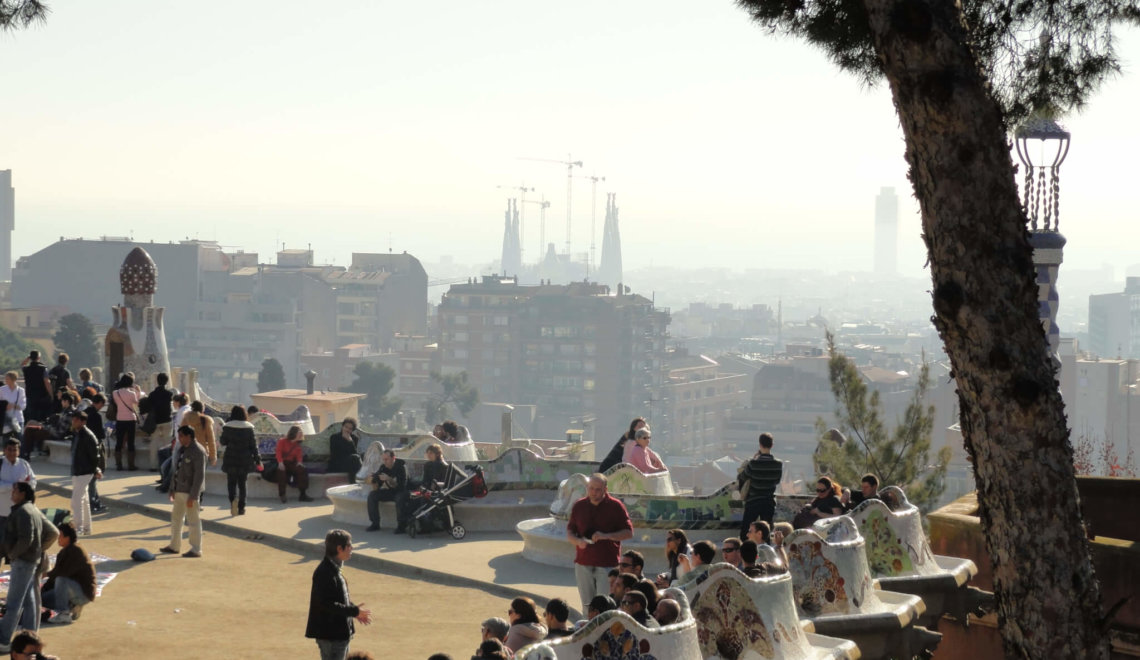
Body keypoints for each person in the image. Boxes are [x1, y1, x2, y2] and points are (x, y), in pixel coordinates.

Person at [0, 482, 58, 651]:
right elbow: (51, 532)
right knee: (29, 599)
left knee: (13, 603)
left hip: (23, 561)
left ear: (23, 494)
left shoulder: (24, 512)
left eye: (15, 490)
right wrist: (38, 550)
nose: (13, 492)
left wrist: (14, 554)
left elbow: (27, 538)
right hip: (29, 561)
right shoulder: (31, 509)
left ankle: (3, 640)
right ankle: (31, 635)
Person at [565, 473, 633, 612]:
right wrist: (578, 541)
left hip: (607, 564)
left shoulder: (616, 506)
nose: (593, 492)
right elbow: (570, 532)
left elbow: (628, 532)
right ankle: (588, 632)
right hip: (583, 562)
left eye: (598, 489)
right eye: (591, 488)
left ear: (605, 490)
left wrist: (606, 536)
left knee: (605, 606)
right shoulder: (579, 505)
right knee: (587, 606)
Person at [306, 529, 372, 660]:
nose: (352, 548)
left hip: (338, 634)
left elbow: (338, 598)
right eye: (349, 545)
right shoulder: (324, 572)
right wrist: (353, 611)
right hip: (331, 636)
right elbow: (327, 604)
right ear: (339, 548)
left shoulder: (332, 569)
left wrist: (355, 611)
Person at [159, 425, 207, 558]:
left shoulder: (198, 451)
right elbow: (176, 470)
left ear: (189, 436)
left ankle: (196, 549)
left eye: (181, 436)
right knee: (176, 519)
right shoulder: (181, 449)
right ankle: (174, 545)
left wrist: (194, 495)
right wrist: (172, 488)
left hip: (190, 492)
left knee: (193, 520)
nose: (179, 439)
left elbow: (199, 475)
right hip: (179, 489)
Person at [42, 522, 96, 624]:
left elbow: (62, 573)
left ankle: (64, 613)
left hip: (83, 593)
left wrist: (46, 574)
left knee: (61, 580)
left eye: (60, 536)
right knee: (41, 599)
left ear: (67, 538)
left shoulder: (76, 550)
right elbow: (54, 576)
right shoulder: (64, 552)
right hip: (72, 590)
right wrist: (41, 591)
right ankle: (73, 607)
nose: (58, 539)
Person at [737, 432, 783, 539]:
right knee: (766, 534)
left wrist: (752, 460)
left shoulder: (753, 463)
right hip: (768, 502)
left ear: (760, 444)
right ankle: (765, 554)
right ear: (772, 445)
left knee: (745, 533)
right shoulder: (778, 464)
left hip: (753, 501)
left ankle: (749, 554)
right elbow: (777, 480)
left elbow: (742, 477)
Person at [220, 405, 258, 516]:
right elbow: (253, 446)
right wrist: (258, 460)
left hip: (231, 459)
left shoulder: (228, 427)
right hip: (244, 460)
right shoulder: (249, 428)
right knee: (242, 484)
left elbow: (223, 441)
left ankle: (233, 500)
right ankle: (241, 508)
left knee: (231, 483)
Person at [68, 412, 101, 536]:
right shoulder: (78, 434)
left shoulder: (87, 435)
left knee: (76, 500)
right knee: (84, 499)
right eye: (73, 419)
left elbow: (95, 455)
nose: (73, 421)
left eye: (76, 419)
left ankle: (79, 528)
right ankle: (86, 527)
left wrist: (95, 469)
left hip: (84, 471)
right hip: (78, 470)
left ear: (83, 421)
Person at [0, 440, 35, 549]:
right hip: (2, 513)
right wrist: (13, 486)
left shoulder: (24, 464)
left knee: (16, 544)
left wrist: (26, 487)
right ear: (4, 450)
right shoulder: (0, 464)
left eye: (15, 450)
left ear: (19, 451)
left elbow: (33, 481)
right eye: (9, 450)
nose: (12, 452)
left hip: (20, 513)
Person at [366, 449, 408, 532]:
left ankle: (402, 526)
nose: (384, 462)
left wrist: (389, 479)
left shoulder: (401, 467)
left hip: (403, 491)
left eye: (386, 459)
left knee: (399, 498)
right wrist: (373, 480)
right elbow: (377, 485)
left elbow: (402, 486)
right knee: (372, 495)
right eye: (383, 459)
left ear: (393, 458)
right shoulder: (383, 467)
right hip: (391, 492)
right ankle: (375, 524)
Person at [111, 373, 143, 471]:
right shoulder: (132, 393)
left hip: (120, 419)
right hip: (130, 419)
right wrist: (138, 391)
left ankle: (119, 464)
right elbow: (137, 402)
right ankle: (131, 465)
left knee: (119, 442)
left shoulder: (115, 393)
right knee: (131, 442)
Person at [275, 425, 314, 503]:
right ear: (294, 433)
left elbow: (299, 456)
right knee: (281, 472)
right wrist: (280, 462)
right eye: (299, 432)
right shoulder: (282, 441)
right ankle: (282, 495)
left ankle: (303, 494)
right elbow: (278, 452)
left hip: (291, 463)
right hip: (282, 462)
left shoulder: (297, 445)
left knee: (302, 470)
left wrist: (299, 463)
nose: (301, 434)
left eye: (301, 433)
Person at [84, 394, 108, 513]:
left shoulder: (84, 413)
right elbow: (101, 434)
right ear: (98, 403)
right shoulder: (97, 416)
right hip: (94, 447)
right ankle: (94, 504)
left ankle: (95, 502)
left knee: (90, 480)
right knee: (93, 479)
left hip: (84, 449)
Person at [19, 352, 52, 425]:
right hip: (42, 396)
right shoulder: (43, 369)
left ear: (30, 358)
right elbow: (47, 382)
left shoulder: (26, 369)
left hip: (30, 396)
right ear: (39, 358)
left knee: (30, 417)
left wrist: (28, 358)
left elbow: (22, 365)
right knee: (40, 419)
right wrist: (51, 394)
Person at [328, 418, 363, 484]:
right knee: (354, 459)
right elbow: (335, 454)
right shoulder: (334, 437)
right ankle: (356, 482)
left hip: (348, 463)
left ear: (352, 430)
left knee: (356, 458)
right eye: (346, 427)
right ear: (342, 426)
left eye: (350, 428)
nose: (347, 430)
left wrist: (350, 441)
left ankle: (356, 482)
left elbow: (354, 453)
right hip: (336, 464)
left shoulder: (354, 439)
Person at [0, 372, 26, 442]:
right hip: (6, 418)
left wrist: (14, 406)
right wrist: (4, 405)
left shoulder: (21, 391)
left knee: (20, 439)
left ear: (13, 380)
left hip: (17, 418)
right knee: (6, 440)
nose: (5, 380)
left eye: (7, 379)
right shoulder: (2, 389)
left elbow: (23, 405)